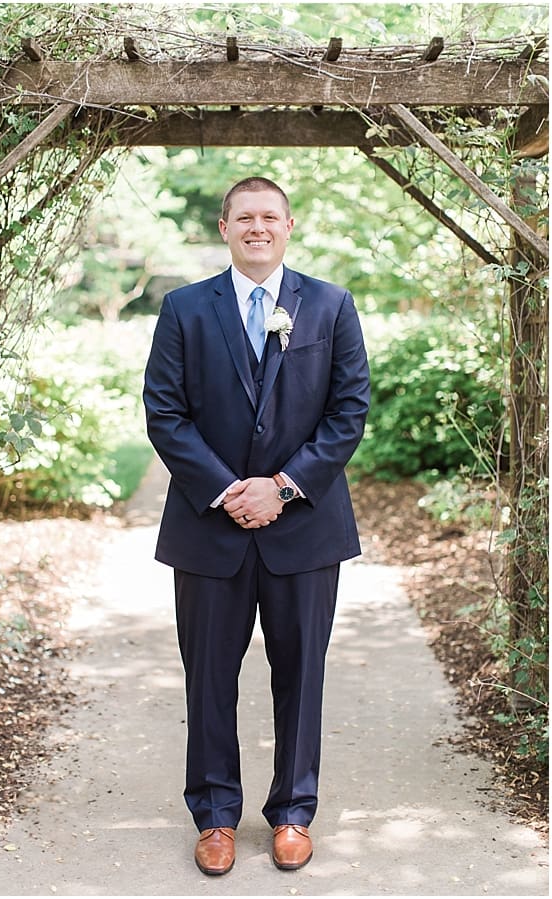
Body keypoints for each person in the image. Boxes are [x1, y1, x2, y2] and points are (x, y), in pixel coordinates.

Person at [143, 177, 370, 876]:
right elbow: (164, 411)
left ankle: (294, 811)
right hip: (209, 529)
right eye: (245, 216)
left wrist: (280, 486)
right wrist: (226, 491)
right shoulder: (184, 308)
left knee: (301, 676)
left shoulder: (330, 305)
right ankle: (214, 814)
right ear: (224, 227)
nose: (258, 226)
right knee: (208, 676)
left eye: (269, 215)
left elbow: (348, 410)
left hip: (304, 528)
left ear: (289, 225)